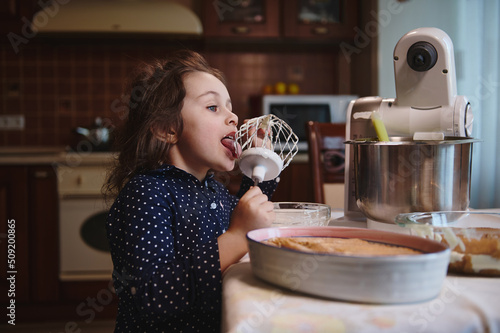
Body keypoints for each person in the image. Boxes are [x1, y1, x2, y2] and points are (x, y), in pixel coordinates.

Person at [103, 50, 278, 332]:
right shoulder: (147, 194)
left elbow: (248, 217)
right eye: (213, 107)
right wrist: (235, 237)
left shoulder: (212, 190)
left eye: (230, 107)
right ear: (166, 128)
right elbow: (153, 296)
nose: (233, 117)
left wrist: (261, 165)